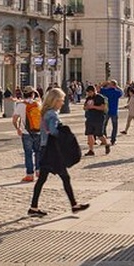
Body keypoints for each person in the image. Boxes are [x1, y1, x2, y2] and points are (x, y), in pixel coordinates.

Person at [28, 88, 90, 217]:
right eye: (61, 100)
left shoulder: (45, 112)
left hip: (45, 149)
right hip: (53, 152)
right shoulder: (52, 114)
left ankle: (34, 207)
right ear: (55, 101)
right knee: (65, 177)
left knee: (42, 179)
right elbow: (53, 131)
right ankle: (74, 205)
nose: (62, 103)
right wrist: (64, 133)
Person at [13, 87, 42, 182]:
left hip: (26, 133)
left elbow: (14, 119)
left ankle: (30, 175)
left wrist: (18, 128)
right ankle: (39, 171)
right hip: (38, 131)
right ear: (33, 94)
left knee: (28, 154)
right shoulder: (38, 103)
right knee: (38, 152)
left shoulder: (20, 105)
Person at [82, 85, 110, 156]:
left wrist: (93, 106)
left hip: (99, 118)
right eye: (88, 93)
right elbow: (85, 106)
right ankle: (91, 150)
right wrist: (86, 107)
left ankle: (107, 144)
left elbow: (103, 107)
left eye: (90, 92)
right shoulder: (88, 98)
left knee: (99, 134)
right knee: (89, 134)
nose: (89, 94)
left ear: (93, 91)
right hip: (89, 117)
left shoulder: (100, 97)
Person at [100, 80, 124, 144]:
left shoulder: (106, 91)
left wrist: (103, 84)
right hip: (114, 111)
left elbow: (99, 89)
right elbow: (122, 92)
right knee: (115, 126)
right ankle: (113, 140)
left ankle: (104, 138)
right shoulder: (117, 92)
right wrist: (117, 87)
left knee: (104, 125)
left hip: (107, 110)